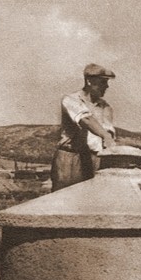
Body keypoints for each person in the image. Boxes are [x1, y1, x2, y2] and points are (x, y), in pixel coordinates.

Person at [50, 63, 117, 191]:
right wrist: (106, 136)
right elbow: (85, 119)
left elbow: (109, 132)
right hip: (71, 159)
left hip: (94, 159)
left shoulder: (105, 107)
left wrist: (109, 139)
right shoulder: (71, 100)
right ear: (89, 81)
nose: (107, 86)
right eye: (103, 82)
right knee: (64, 198)